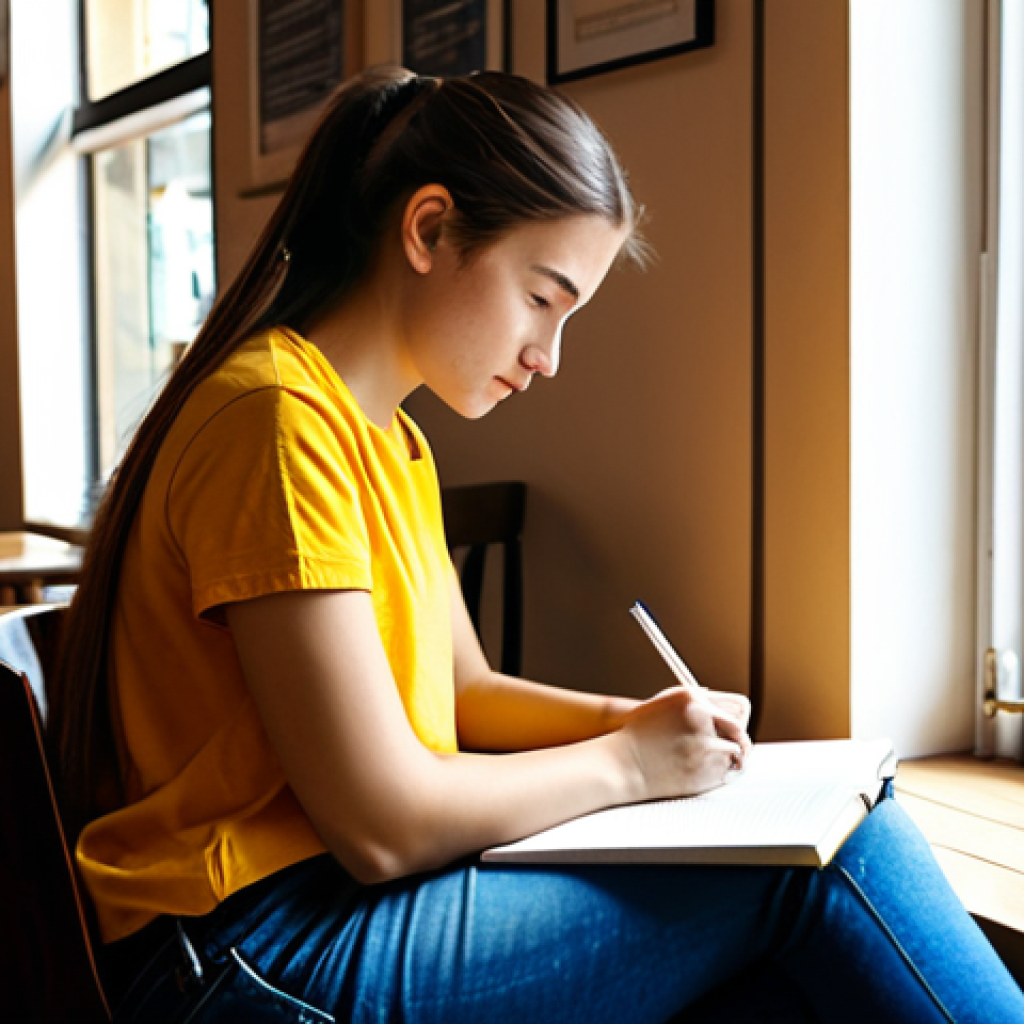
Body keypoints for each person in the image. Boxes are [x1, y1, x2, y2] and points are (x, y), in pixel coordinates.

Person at [51, 66, 1021, 1024]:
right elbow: (382, 822)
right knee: (826, 860)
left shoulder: (389, 439)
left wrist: (639, 719)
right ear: (429, 229)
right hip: (250, 949)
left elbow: (463, 695)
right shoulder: (274, 420)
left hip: (313, 916)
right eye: (541, 298)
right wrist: (630, 766)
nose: (547, 358)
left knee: (779, 982)